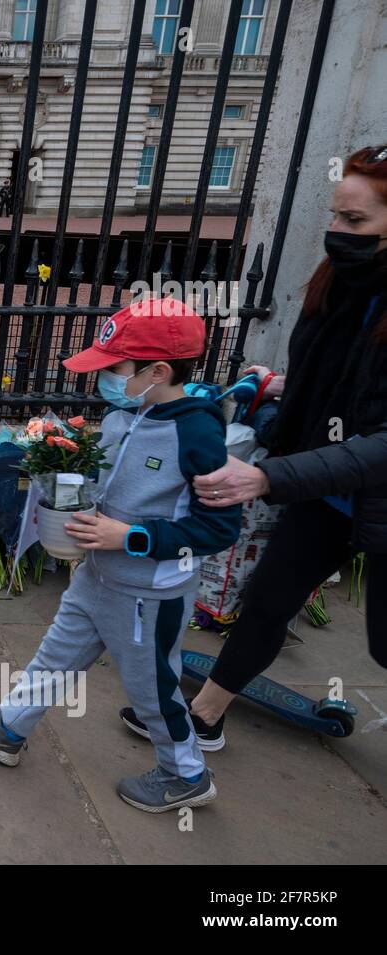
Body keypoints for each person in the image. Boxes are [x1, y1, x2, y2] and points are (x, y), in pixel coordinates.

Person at [0, 296, 242, 812]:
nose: (105, 379)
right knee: (55, 657)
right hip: (97, 575)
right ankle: (10, 729)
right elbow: (108, 483)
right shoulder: (125, 415)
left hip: (149, 593)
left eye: (115, 369)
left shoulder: (197, 432)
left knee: (153, 690)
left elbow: (218, 527)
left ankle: (186, 774)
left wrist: (128, 537)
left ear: (158, 370)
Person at [177, 144, 387, 737]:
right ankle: (205, 716)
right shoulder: (344, 283)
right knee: (270, 599)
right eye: (335, 216)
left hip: (371, 492)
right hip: (326, 488)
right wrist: (283, 388)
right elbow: (351, 376)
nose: (336, 232)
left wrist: (270, 477)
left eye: (355, 221)